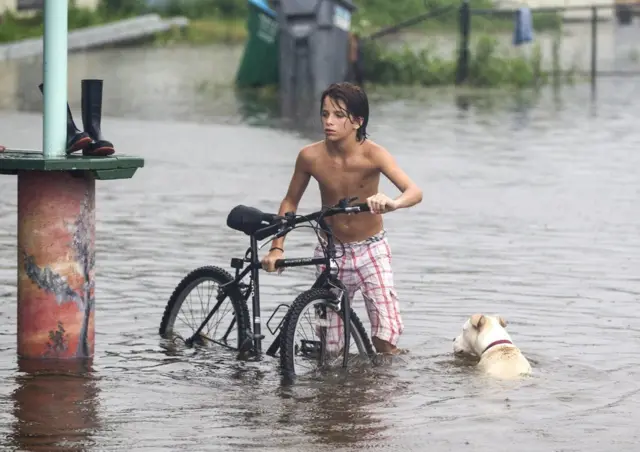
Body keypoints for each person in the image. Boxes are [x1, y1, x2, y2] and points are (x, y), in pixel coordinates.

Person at [261, 82, 423, 355]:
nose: (329, 122)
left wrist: (391, 203)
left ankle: (386, 388)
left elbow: (414, 192)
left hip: (371, 250)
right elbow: (290, 201)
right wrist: (277, 247)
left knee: (384, 340)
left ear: (358, 121)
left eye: (338, 115)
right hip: (330, 252)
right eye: (325, 114)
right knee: (332, 350)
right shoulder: (310, 156)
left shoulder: (374, 154)